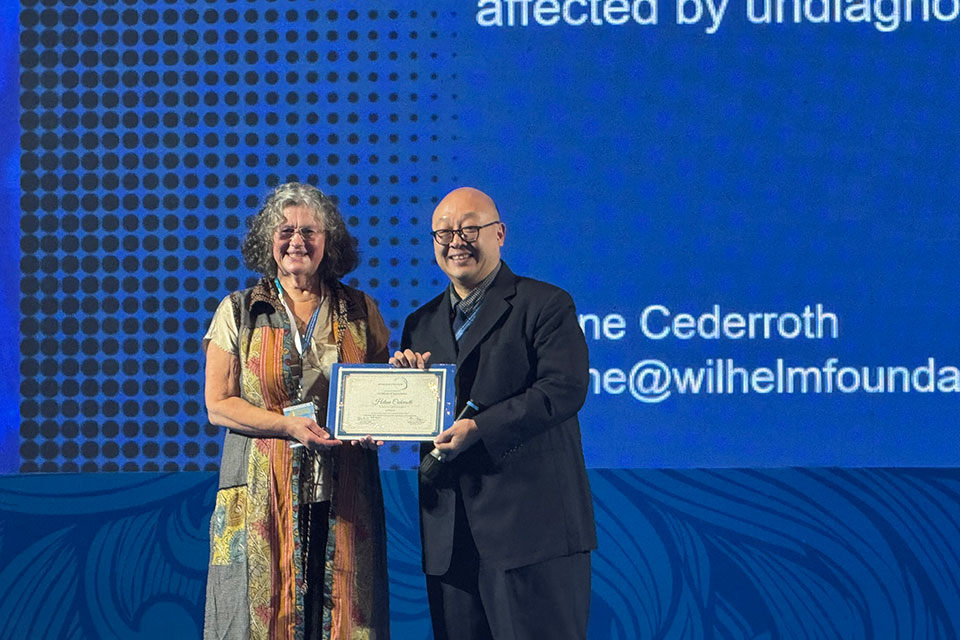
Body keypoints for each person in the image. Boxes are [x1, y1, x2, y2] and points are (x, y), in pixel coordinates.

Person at [390, 187, 596, 639]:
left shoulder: (544, 304)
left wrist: (480, 428)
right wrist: (406, 392)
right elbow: (427, 418)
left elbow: (564, 389)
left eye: (469, 228)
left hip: (532, 534)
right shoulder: (419, 323)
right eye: (443, 232)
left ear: (499, 234)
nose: (455, 240)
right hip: (451, 538)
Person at [203, 182, 390, 640]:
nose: (297, 241)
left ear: (330, 242)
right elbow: (218, 406)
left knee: (346, 614)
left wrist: (385, 409)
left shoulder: (361, 310)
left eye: (310, 230)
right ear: (269, 240)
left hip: (344, 491)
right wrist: (287, 426)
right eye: (285, 230)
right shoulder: (240, 310)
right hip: (260, 495)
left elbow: (382, 392)